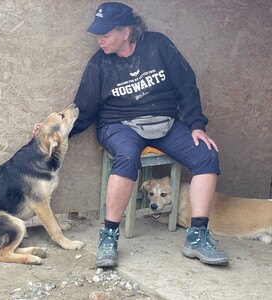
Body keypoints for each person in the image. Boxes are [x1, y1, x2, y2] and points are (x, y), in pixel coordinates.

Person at [33, 2, 229, 268]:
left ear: (126, 31)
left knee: (206, 155)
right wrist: (50, 132)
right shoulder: (100, 63)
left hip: (165, 123)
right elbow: (85, 110)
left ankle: (197, 236)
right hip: (118, 125)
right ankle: (109, 236)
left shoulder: (159, 46)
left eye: (106, 34)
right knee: (127, 156)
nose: (99, 40)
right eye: (98, 35)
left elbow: (186, 85)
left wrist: (196, 125)